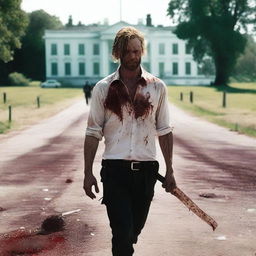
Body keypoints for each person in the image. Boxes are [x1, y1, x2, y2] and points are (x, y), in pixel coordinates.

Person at [83, 26, 177, 256]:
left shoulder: (157, 87)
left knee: (133, 231)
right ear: (117, 53)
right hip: (115, 171)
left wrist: (170, 170)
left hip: (146, 172)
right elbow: (92, 132)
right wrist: (88, 172)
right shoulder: (103, 89)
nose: (133, 56)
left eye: (137, 51)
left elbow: (164, 130)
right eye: (128, 52)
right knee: (122, 232)